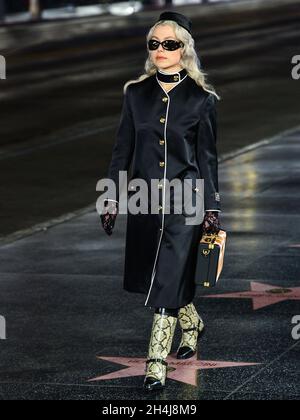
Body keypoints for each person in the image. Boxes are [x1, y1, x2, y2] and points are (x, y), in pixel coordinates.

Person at [100, 11, 222, 391]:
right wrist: (111, 196)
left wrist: (212, 207)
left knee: (167, 276)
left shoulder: (202, 100)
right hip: (144, 200)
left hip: (187, 202)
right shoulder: (135, 94)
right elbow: (123, 148)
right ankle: (192, 324)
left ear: (185, 49)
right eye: (154, 43)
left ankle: (156, 363)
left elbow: (208, 159)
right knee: (157, 274)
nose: (161, 50)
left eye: (170, 44)